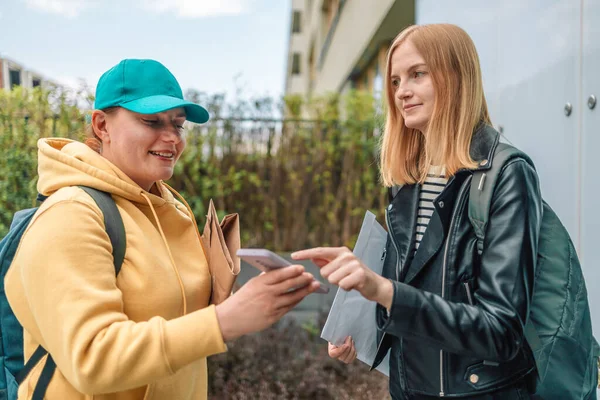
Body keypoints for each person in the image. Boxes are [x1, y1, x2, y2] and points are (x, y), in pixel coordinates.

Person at [5, 58, 322, 400]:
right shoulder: (72, 214)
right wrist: (224, 321)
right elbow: (91, 358)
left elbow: (182, 320)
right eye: (151, 121)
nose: (171, 137)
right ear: (102, 126)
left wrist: (252, 301)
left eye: (178, 125)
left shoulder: (170, 207)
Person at [293, 24, 541, 399]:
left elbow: (501, 331)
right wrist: (362, 331)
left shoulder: (505, 174)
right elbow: (414, 295)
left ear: (456, 77)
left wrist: (384, 290)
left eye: (417, 74)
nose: (401, 92)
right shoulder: (407, 181)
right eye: (394, 81)